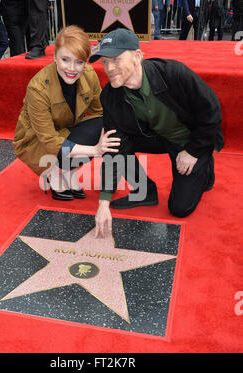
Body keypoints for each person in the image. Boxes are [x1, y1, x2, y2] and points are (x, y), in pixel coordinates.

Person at [88, 28, 224, 237]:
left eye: (115, 59)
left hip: (188, 140)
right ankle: (145, 191)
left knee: (180, 208)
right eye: (105, 61)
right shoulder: (110, 96)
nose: (109, 68)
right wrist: (104, 202)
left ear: (137, 56)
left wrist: (195, 151)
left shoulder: (173, 73)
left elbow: (211, 110)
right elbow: (114, 147)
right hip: (155, 136)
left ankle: (205, 165)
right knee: (117, 142)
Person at [13, 25, 120, 201]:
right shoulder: (38, 88)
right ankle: (55, 172)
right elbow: (48, 139)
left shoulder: (89, 74)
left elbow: (100, 113)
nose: (72, 68)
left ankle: (70, 173)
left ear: (86, 61)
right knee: (91, 140)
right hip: (36, 140)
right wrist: (94, 149)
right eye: (65, 59)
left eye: (79, 62)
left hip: (65, 129)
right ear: (54, 57)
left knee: (105, 123)